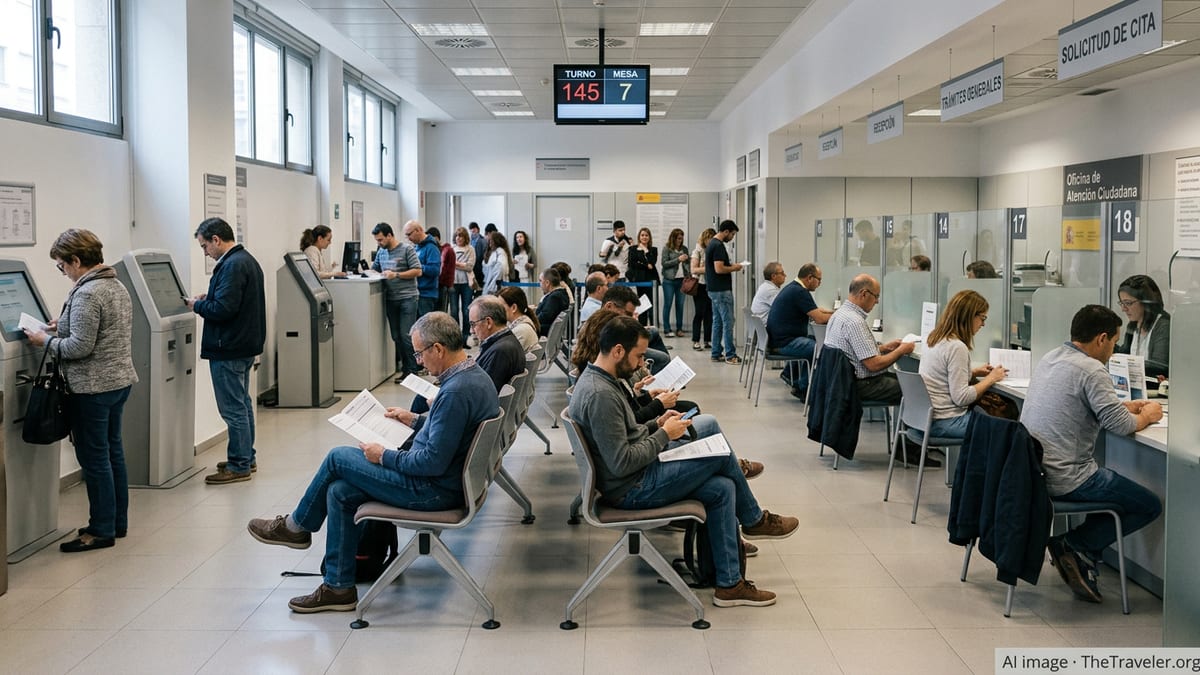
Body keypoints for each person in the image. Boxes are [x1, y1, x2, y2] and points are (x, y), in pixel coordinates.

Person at [247, 312, 499, 613]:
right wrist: (415, 420)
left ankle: (297, 527)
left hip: (432, 490)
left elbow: (431, 462)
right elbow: (450, 430)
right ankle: (338, 588)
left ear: (438, 350)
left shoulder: (455, 391)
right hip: (451, 481)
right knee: (339, 492)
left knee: (338, 457)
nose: (418, 361)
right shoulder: (472, 375)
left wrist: (384, 456)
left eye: (419, 353)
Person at [568, 316, 799, 607]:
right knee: (717, 452)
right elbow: (622, 462)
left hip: (633, 477)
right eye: (638, 356)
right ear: (617, 351)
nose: (641, 364)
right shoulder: (601, 394)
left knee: (722, 487)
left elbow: (627, 434)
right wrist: (664, 434)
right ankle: (753, 519)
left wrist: (656, 425)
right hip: (631, 488)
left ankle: (730, 585)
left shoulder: (601, 381)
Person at [1020, 305, 1163, 604]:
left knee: (1125, 495)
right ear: (1101, 338)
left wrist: (1122, 407)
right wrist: (1149, 414)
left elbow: (1082, 406)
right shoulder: (1092, 369)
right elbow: (1122, 427)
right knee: (1148, 505)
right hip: (1068, 478)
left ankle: (1079, 549)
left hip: (1033, 471)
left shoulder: (1052, 357)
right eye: (1113, 342)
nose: (1113, 350)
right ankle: (1076, 544)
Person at [24, 229, 137, 552]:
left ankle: (100, 530)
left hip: (92, 388)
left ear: (76, 260)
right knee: (113, 452)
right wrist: (63, 325)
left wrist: (43, 340)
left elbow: (79, 347)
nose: (63, 272)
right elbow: (102, 330)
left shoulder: (88, 292)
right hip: (117, 383)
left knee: (94, 458)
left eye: (62, 266)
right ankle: (117, 522)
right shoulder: (114, 285)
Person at [186, 217, 266, 484]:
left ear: (216, 240)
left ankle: (240, 464)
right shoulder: (245, 260)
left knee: (232, 409)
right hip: (243, 345)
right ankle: (246, 456)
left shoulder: (231, 266)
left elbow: (224, 310)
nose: (205, 252)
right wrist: (207, 298)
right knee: (242, 405)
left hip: (228, 347)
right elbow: (233, 300)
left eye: (204, 246)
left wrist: (195, 306)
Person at [918, 290, 1007, 441]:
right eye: (982, 318)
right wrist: (991, 379)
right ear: (969, 316)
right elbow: (962, 398)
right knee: (1008, 430)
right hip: (946, 421)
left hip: (923, 419)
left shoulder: (933, 338)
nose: (983, 324)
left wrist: (972, 372)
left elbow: (941, 376)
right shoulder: (956, 347)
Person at [823, 274, 913, 404]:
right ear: (864, 294)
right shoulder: (855, 322)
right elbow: (874, 365)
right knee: (915, 389)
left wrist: (883, 348)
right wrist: (901, 351)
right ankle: (912, 424)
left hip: (840, 383)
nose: (877, 301)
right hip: (860, 385)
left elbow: (851, 351)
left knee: (903, 382)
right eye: (876, 296)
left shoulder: (840, 314)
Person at [766, 263, 834, 398]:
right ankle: (804, 388)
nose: (819, 283)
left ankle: (792, 377)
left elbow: (816, 310)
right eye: (819, 280)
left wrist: (834, 312)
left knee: (814, 341)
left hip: (779, 340)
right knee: (820, 348)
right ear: (809, 278)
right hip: (784, 343)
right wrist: (840, 316)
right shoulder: (800, 292)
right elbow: (819, 318)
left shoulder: (793, 288)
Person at [371, 222, 422, 381]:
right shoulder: (381, 252)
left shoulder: (407, 249)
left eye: (380, 240)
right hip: (391, 299)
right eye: (377, 241)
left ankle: (412, 371)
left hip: (408, 297)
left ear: (389, 235)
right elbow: (375, 269)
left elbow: (418, 270)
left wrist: (397, 275)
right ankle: (406, 369)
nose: (379, 243)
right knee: (396, 336)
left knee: (406, 335)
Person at [1115, 274, 1170, 379]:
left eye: (1128, 303)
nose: (1123, 309)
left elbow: (1161, 367)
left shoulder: (1163, 325)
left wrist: (1126, 363)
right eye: (1121, 303)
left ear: (1146, 302)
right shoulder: (1132, 325)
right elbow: (1125, 354)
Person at [706, 219, 743, 364]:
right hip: (721, 290)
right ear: (726, 231)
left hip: (714, 289)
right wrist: (735, 267)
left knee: (718, 322)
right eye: (732, 234)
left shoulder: (711, 244)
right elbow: (719, 269)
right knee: (728, 321)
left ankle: (716, 352)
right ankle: (730, 354)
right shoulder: (718, 246)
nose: (732, 237)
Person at [468, 296, 526, 389]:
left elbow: (482, 393)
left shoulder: (500, 352)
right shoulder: (506, 342)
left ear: (488, 322)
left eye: (473, 324)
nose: (471, 331)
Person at [404, 220, 442, 318]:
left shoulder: (431, 248)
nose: (408, 238)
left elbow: (435, 270)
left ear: (418, 230)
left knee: (424, 330)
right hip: (416, 293)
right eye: (406, 236)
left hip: (426, 295)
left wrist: (417, 267)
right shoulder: (416, 247)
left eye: (409, 234)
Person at [660, 227, 690, 337]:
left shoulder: (684, 248)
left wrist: (687, 260)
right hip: (669, 280)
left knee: (680, 305)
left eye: (681, 239)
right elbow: (664, 263)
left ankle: (679, 329)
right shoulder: (667, 248)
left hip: (682, 280)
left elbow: (687, 263)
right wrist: (678, 259)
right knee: (668, 304)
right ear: (673, 238)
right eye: (678, 238)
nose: (680, 241)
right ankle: (667, 329)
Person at [626, 227, 659, 326]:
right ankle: (642, 325)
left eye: (646, 235)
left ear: (649, 237)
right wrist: (645, 264)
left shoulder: (653, 250)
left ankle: (653, 325)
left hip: (651, 279)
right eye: (642, 235)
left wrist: (646, 251)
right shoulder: (633, 249)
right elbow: (632, 264)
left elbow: (652, 263)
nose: (644, 237)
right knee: (641, 303)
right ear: (639, 237)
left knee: (651, 303)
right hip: (640, 279)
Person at [691, 228, 714, 351]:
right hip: (700, 285)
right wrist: (710, 268)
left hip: (711, 285)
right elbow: (694, 269)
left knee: (709, 313)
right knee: (699, 312)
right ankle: (695, 340)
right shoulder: (697, 251)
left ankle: (707, 340)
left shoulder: (714, 251)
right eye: (709, 238)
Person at [497, 285, 541, 351]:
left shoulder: (521, 330)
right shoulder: (522, 323)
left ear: (514, 308)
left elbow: (500, 355)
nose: (497, 310)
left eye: (500, 306)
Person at [451, 227, 476, 341]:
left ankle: (466, 336)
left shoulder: (470, 249)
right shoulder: (451, 249)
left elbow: (470, 266)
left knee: (466, 311)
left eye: (460, 236)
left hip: (467, 283)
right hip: (453, 283)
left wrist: (455, 263)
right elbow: (447, 265)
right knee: (454, 311)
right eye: (456, 235)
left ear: (465, 237)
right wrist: (462, 264)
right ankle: (456, 336)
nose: (458, 238)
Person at [535, 267, 571, 336]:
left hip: (543, 331)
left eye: (540, 281)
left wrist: (530, 320)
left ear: (547, 283)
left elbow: (545, 316)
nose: (539, 284)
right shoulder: (561, 294)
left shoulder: (554, 297)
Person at [429, 227, 455, 313]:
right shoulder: (433, 249)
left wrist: (447, 285)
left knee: (441, 312)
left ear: (436, 237)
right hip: (434, 286)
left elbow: (449, 271)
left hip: (443, 286)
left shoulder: (447, 250)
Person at [482, 231, 511, 296]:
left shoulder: (500, 252)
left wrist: (492, 287)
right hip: (492, 285)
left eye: (491, 241)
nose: (490, 243)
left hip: (496, 287)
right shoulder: (494, 253)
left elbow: (500, 269)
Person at [469, 222, 486, 292]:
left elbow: (484, 255)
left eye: (474, 229)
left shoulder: (483, 241)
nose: (473, 231)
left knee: (479, 290)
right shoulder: (469, 241)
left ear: (478, 229)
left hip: (480, 268)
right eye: (471, 230)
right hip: (471, 269)